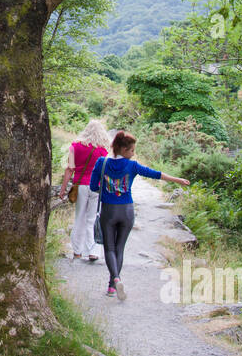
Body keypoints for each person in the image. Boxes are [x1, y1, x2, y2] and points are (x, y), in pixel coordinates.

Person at [90, 130, 190, 299]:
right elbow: (155, 174)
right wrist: (178, 180)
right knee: (120, 247)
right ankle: (112, 285)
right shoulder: (132, 165)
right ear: (122, 149)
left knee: (109, 248)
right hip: (127, 211)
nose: (133, 153)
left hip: (108, 210)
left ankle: (115, 280)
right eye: (131, 150)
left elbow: (93, 187)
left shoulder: (102, 162)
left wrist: (107, 188)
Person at [57, 119, 109, 262]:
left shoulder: (75, 147)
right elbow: (105, 172)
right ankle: (92, 250)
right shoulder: (102, 150)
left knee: (79, 218)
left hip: (80, 186)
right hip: (96, 187)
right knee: (92, 218)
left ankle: (77, 251)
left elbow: (70, 168)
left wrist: (63, 188)